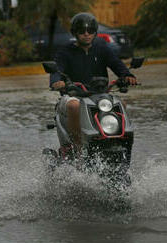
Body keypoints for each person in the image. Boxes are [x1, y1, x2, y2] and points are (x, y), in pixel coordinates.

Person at [50, 12, 137, 151]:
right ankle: (78, 148)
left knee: (121, 104)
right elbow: (56, 70)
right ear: (75, 33)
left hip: (99, 95)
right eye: (82, 31)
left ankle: (120, 143)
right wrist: (56, 81)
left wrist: (127, 75)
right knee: (74, 106)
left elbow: (117, 64)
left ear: (95, 33)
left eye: (90, 30)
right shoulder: (65, 51)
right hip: (73, 95)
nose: (86, 34)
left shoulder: (102, 49)